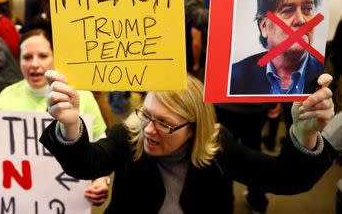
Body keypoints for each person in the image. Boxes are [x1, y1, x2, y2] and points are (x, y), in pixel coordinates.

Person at [41, 70, 336, 214]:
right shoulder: (129, 133)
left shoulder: (219, 146)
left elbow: (286, 179)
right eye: (147, 114)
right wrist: (69, 125)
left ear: (195, 129)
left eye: (166, 124)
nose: (150, 130)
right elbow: (84, 163)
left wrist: (306, 135)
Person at [0, 27, 109, 206]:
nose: (34, 64)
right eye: (27, 57)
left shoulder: (80, 96)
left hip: (68, 202)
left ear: (55, 57)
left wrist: (101, 179)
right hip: (20, 202)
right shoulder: (6, 96)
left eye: (42, 56)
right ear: (18, 61)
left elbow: (100, 141)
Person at [231, 0, 324, 95]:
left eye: (308, 8)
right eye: (288, 10)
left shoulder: (329, 74)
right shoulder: (235, 76)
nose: (301, 20)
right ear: (264, 26)